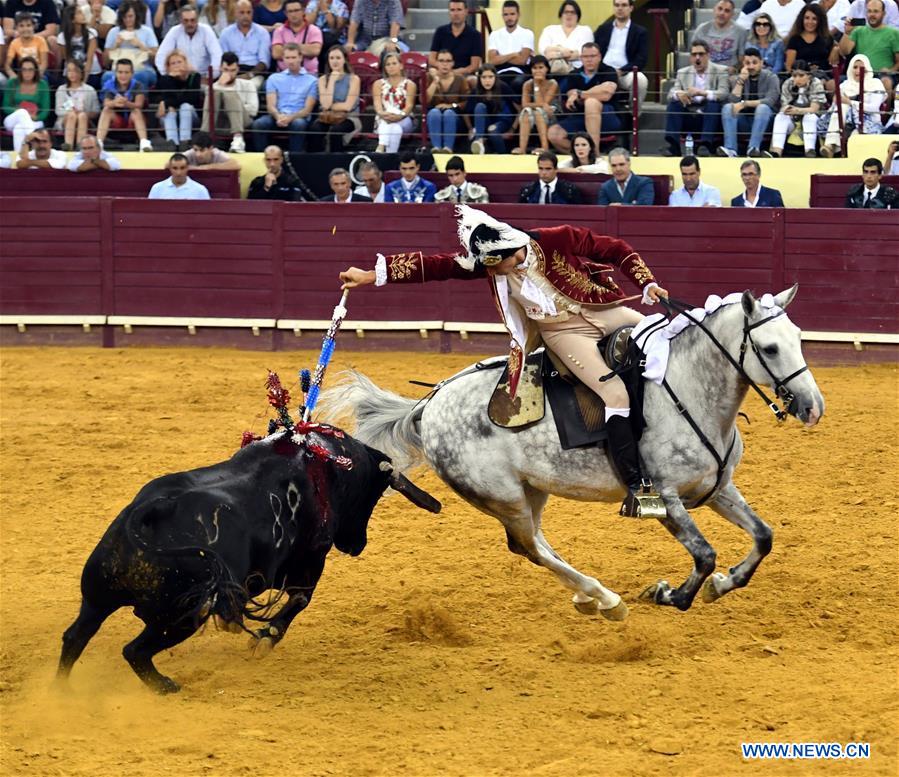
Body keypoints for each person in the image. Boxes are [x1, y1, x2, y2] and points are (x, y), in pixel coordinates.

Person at [337, 205, 670, 518]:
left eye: (495, 265)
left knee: (665, 340)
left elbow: (613, 247)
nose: (491, 272)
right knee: (614, 395)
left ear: (511, 252)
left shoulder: (558, 239)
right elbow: (435, 265)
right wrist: (370, 276)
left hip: (603, 309)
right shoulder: (490, 262)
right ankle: (637, 485)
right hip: (563, 334)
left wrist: (648, 282)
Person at [548, 41, 623, 153]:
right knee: (554, 134)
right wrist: (596, 91)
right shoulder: (574, 74)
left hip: (606, 117)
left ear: (599, 57)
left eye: (593, 56)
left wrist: (580, 94)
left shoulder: (608, 71)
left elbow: (607, 94)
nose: (589, 60)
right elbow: (571, 98)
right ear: (581, 58)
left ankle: (596, 154)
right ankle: (585, 156)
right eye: (586, 56)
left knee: (591, 102)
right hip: (581, 117)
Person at [663, 39, 729, 157]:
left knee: (713, 104)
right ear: (690, 57)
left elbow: (723, 93)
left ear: (708, 55)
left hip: (711, 119)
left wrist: (702, 93)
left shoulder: (720, 70)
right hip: (690, 116)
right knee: (674, 103)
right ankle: (673, 146)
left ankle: (705, 145)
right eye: (694, 55)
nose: (697, 58)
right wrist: (679, 94)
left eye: (701, 54)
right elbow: (671, 93)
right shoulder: (683, 72)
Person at [251, 43, 318, 152]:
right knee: (259, 124)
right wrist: (278, 116)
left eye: (293, 57)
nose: (291, 61)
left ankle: (295, 159)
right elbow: (271, 105)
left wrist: (290, 118)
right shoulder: (274, 78)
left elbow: (307, 110)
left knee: (298, 125)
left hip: (298, 117)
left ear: (300, 58)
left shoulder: (312, 81)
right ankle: (262, 159)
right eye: (287, 58)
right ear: (283, 59)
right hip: (277, 116)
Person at [717, 47, 780, 157]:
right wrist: (741, 81)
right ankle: (731, 149)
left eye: (754, 63)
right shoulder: (738, 78)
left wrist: (745, 103)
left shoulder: (771, 77)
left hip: (765, 121)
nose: (751, 66)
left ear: (761, 63)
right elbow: (732, 101)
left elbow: (770, 100)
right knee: (728, 107)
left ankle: (753, 148)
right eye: (747, 63)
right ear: (743, 64)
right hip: (744, 121)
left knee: (763, 108)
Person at [821, 53, 888, 155]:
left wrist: (850, 102)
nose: (858, 71)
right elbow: (834, 108)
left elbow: (873, 108)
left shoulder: (875, 83)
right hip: (845, 122)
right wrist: (836, 102)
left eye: (861, 67)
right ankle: (830, 145)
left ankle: (836, 148)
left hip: (868, 123)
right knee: (842, 107)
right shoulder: (845, 85)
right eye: (855, 67)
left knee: (854, 137)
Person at [838, 0, 899, 98]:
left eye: (876, 11)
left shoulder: (894, 33)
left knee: (885, 82)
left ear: (883, 14)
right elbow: (844, 51)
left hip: (883, 75)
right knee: (832, 84)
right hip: (859, 74)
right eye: (869, 11)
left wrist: (890, 70)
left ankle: (884, 112)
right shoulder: (858, 31)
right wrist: (847, 33)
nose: (872, 15)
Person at [594, 0, 649, 107]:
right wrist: (606, 70)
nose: (620, 8)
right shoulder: (602, 29)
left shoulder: (640, 32)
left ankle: (633, 114)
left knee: (640, 80)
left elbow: (641, 59)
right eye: (617, 5)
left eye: (624, 5)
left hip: (624, 73)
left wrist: (621, 70)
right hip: (602, 72)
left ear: (631, 8)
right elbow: (595, 53)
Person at [200, 50, 258, 151]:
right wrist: (221, 85)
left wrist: (232, 105)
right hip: (219, 122)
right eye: (226, 70)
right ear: (220, 68)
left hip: (242, 121)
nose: (229, 74)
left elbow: (253, 110)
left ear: (238, 69)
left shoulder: (248, 84)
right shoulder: (213, 87)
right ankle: (203, 138)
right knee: (215, 93)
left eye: (233, 70)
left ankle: (238, 138)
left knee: (231, 95)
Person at [308, 44, 360, 152]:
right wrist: (332, 81)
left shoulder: (354, 79)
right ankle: (315, 161)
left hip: (349, 117)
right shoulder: (322, 80)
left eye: (338, 58)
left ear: (344, 60)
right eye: (331, 58)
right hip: (327, 117)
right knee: (315, 129)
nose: (335, 61)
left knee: (336, 131)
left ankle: (336, 162)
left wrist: (331, 106)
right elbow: (325, 105)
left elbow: (347, 106)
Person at [770, 60, 825, 156]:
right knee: (780, 117)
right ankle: (776, 152)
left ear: (808, 75)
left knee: (809, 117)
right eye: (794, 76)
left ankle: (809, 150)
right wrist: (787, 109)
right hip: (793, 118)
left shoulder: (816, 83)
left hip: (813, 119)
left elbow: (814, 109)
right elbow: (784, 105)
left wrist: (798, 110)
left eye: (801, 75)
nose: (797, 79)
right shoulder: (788, 83)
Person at [97, 58, 152, 151]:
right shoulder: (110, 85)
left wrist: (126, 103)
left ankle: (144, 143)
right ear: (115, 73)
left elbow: (139, 104)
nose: (123, 75)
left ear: (132, 73)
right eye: (120, 72)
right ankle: (98, 143)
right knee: (106, 110)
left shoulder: (138, 85)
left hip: (133, 121)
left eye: (127, 72)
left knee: (136, 111)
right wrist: (115, 103)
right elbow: (106, 102)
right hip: (117, 121)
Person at [155, 4, 223, 79]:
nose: (189, 24)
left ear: (197, 19)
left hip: (203, 77)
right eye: (186, 20)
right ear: (181, 20)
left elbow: (217, 55)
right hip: (179, 78)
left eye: (192, 20)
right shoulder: (174, 31)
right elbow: (161, 55)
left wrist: (210, 77)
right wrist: (167, 75)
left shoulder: (206, 31)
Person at [104, 0, 159, 89]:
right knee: (107, 76)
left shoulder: (147, 31)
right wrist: (115, 46)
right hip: (119, 69)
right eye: (124, 17)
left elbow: (156, 57)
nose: (127, 20)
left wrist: (141, 46)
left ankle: (139, 102)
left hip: (142, 68)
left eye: (130, 16)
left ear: (136, 16)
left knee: (140, 76)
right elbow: (105, 62)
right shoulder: (113, 32)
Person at [218, 0, 271, 89]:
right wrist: (232, 75)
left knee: (250, 86)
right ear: (235, 13)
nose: (245, 16)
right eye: (241, 12)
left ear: (252, 13)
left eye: (248, 12)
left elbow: (264, 62)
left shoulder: (262, 33)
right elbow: (224, 59)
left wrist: (249, 75)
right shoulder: (226, 33)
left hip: (254, 73)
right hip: (231, 70)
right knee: (218, 87)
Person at [2, 56, 50, 152]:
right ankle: (33, 137)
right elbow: (5, 106)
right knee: (22, 112)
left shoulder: (42, 84)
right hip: (12, 119)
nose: (27, 73)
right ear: (20, 71)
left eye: (30, 70)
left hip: (35, 121)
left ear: (35, 71)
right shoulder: (13, 83)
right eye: (24, 70)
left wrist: (35, 117)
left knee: (19, 128)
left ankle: (19, 159)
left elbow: (46, 110)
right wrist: (18, 111)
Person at [464, 63, 515, 154]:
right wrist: (470, 129)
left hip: (502, 121)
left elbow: (519, 109)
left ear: (495, 77)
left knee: (492, 130)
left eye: (490, 77)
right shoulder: (476, 91)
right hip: (484, 123)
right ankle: (479, 141)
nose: (487, 81)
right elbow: (466, 113)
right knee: (480, 107)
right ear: (479, 78)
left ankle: (502, 154)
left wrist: (512, 129)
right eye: (484, 77)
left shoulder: (503, 87)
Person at [156, 49, 202, 149]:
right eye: (173, 63)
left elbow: (191, 99)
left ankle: (184, 142)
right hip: (170, 117)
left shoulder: (195, 77)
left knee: (185, 106)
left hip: (191, 116)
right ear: (168, 67)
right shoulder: (165, 79)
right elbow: (164, 96)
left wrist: (166, 103)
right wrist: (170, 79)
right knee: (169, 111)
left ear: (185, 63)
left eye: (179, 62)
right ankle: (172, 143)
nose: (177, 65)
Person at [427, 48, 470, 153]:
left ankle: (448, 148)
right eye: (441, 61)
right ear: (436, 63)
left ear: (453, 63)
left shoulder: (460, 79)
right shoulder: (429, 77)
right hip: (434, 115)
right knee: (434, 112)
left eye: (448, 61)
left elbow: (467, 102)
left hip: (455, 116)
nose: (444, 64)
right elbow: (425, 101)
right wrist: (435, 81)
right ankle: (436, 148)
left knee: (449, 113)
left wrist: (452, 105)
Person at [372, 50, 416, 153]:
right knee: (395, 128)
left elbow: (409, 106)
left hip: (404, 118)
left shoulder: (410, 84)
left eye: (394, 63)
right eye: (388, 64)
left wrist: (398, 116)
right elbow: (377, 106)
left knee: (395, 124)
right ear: (385, 68)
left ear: (401, 66)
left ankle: (381, 147)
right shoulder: (378, 84)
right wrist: (385, 115)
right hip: (384, 119)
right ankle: (391, 156)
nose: (391, 67)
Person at [514, 54, 558, 154]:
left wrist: (537, 85)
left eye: (541, 67)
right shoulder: (527, 84)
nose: (538, 71)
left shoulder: (552, 83)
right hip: (537, 110)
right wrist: (536, 85)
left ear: (547, 69)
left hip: (552, 112)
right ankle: (522, 149)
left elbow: (546, 103)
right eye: (534, 68)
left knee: (538, 112)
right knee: (526, 112)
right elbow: (525, 104)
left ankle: (545, 147)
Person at [784, 4, 837, 87]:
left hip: (823, 76)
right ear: (802, 19)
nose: (810, 22)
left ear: (820, 20)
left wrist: (835, 49)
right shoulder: (794, 39)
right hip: (800, 77)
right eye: (807, 18)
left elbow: (832, 63)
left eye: (814, 19)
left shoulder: (827, 38)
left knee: (832, 84)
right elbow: (789, 66)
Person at [486, 0, 534, 89]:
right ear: (502, 16)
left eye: (512, 14)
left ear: (518, 15)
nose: (509, 18)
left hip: (520, 71)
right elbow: (492, 61)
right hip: (499, 71)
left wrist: (500, 58)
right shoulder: (495, 34)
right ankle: (514, 103)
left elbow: (522, 60)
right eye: (506, 14)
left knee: (517, 83)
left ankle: (515, 103)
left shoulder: (527, 33)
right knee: (492, 83)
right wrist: (513, 54)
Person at [429, 0, 483, 80]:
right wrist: (444, 69)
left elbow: (474, 66)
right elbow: (431, 59)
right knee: (430, 74)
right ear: (449, 12)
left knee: (473, 80)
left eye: (459, 10)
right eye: (452, 10)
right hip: (442, 73)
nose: (456, 14)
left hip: (464, 75)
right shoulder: (440, 32)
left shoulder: (475, 35)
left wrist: (455, 73)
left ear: (466, 11)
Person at [55, 59, 100, 151]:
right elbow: (58, 110)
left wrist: (84, 113)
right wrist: (71, 112)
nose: (72, 74)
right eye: (69, 71)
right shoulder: (61, 89)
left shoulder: (90, 90)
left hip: (84, 120)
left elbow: (96, 111)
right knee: (72, 115)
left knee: (82, 115)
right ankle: (68, 146)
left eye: (75, 70)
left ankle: (81, 146)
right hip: (65, 120)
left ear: (81, 72)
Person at [538, 0, 593, 75]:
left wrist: (554, 50)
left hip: (577, 71)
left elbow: (582, 53)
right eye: (566, 12)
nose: (569, 15)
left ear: (578, 15)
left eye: (572, 12)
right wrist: (561, 51)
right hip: (552, 70)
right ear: (561, 15)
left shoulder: (585, 30)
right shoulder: (549, 29)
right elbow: (544, 51)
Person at [693, 0, 747, 72]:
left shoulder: (741, 32)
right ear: (714, 10)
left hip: (729, 73)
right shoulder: (702, 29)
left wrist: (735, 69)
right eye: (720, 9)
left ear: (732, 14)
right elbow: (693, 55)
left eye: (727, 11)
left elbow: (742, 60)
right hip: (706, 72)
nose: (722, 13)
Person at [247, 144, 316, 199]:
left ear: (281, 160)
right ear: (264, 161)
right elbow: (251, 206)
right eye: (268, 160)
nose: (272, 164)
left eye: (276, 159)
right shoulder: (257, 182)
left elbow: (295, 204)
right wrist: (266, 187)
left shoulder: (291, 182)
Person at [272, 0, 322, 74]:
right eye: (290, 11)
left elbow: (315, 51)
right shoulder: (279, 31)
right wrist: (304, 48)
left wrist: (286, 48)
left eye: (296, 10)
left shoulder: (314, 30)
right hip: (283, 74)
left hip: (309, 74)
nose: (293, 14)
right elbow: (276, 53)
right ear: (285, 13)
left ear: (303, 11)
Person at [518, 150, 584, 203]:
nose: (544, 173)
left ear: (556, 169)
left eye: (548, 169)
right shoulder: (528, 190)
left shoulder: (569, 190)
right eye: (541, 168)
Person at [58, 5, 100, 86]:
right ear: (72, 19)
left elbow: (89, 60)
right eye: (79, 13)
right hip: (71, 73)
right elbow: (67, 59)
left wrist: (83, 83)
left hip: (90, 73)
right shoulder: (62, 37)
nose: (83, 14)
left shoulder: (91, 33)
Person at [306, 0, 350, 66]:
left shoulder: (340, 6)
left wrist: (325, 10)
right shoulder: (312, 4)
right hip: (315, 39)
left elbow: (336, 27)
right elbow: (307, 24)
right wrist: (316, 10)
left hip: (334, 39)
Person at [4, 13, 49, 78]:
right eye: (21, 26)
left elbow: (44, 63)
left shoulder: (41, 40)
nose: (25, 29)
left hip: (39, 71)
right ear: (16, 28)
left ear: (33, 26)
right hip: (22, 72)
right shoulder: (14, 43)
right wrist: (12, 75)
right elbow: (7, 65)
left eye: (28, 25)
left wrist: (36, 75)